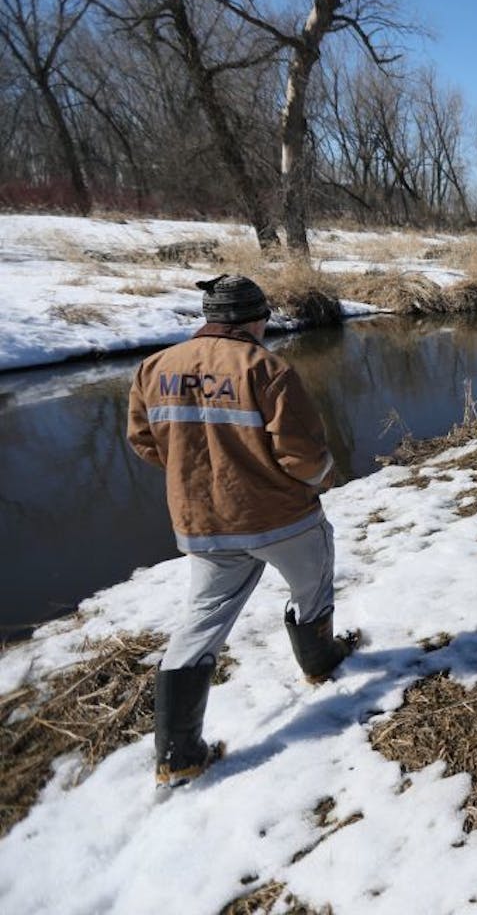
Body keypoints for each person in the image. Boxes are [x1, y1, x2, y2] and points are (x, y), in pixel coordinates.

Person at [127, 274, 357, 787]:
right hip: (281, 518)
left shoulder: (154, 368)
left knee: (202, 620)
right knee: (313, 580)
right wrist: (324, 480)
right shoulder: (266, 368)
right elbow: (302, 455)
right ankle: (320, 661)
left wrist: (192, 472)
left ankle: (178, 753)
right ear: (254, 319)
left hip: (202, 523)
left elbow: (144, 442)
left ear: (209, 317)